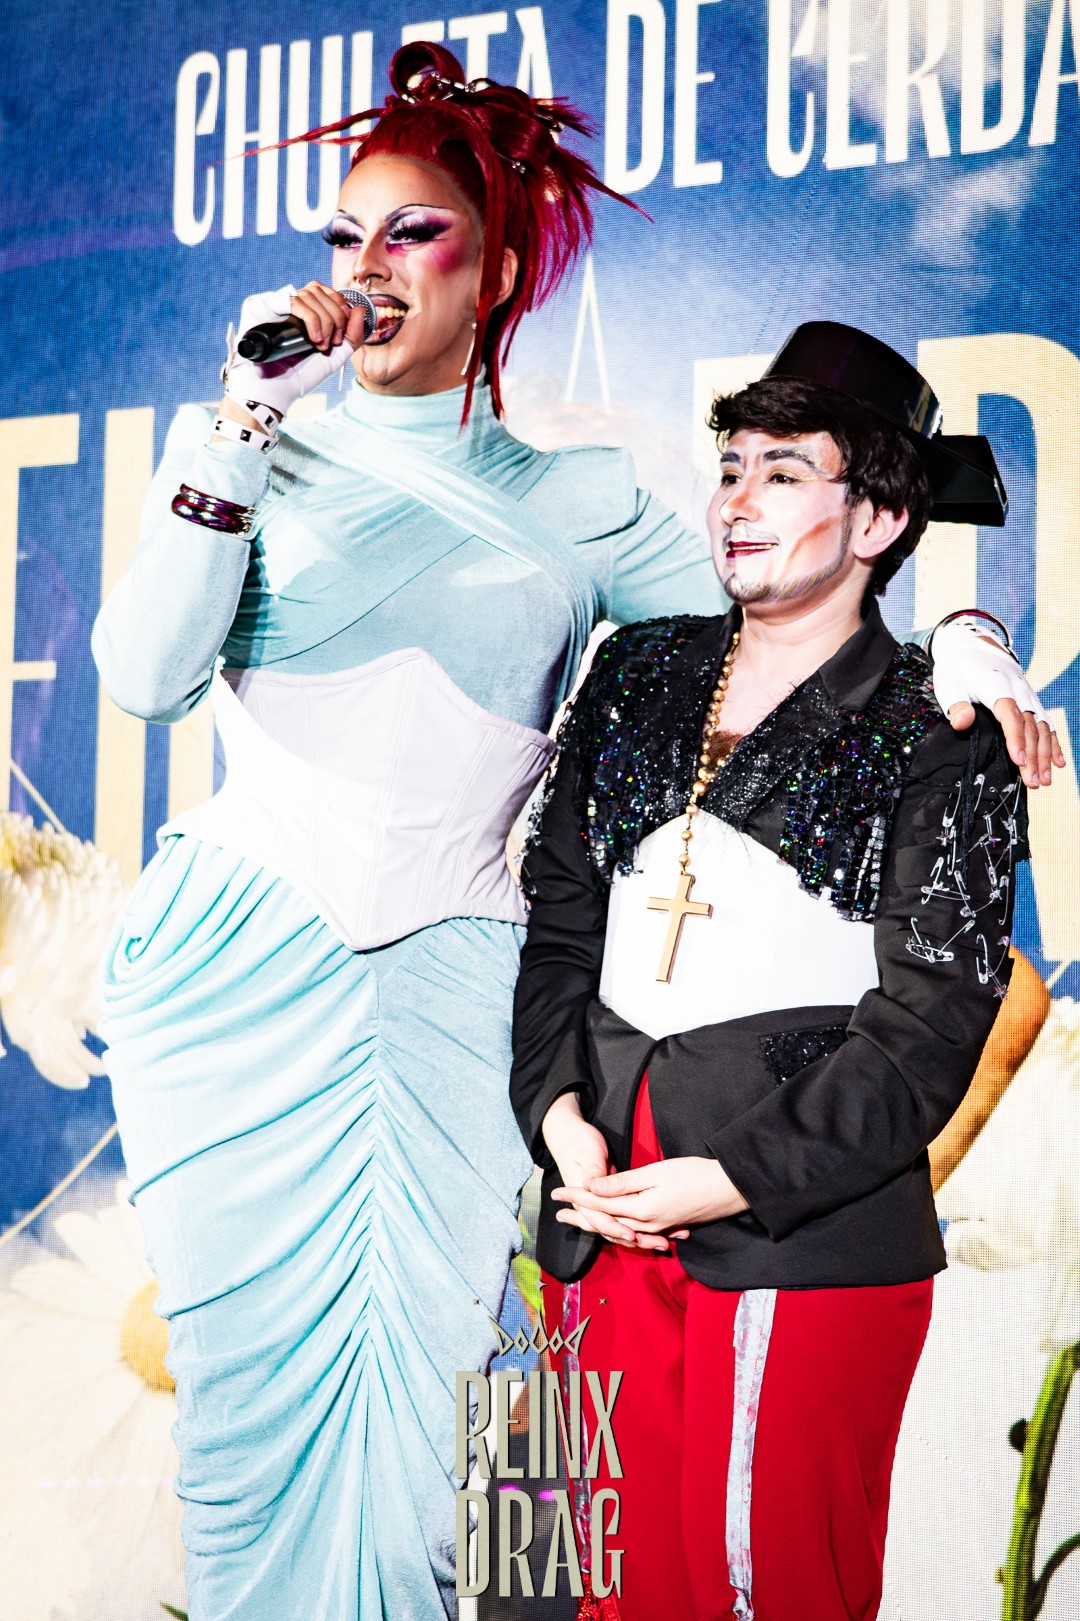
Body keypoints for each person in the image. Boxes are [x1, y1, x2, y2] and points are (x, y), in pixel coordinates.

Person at [93, 39, 1054, 1619]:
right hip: (248, 982)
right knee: (254, 1427)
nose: (368, 267)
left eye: (414, 233)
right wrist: (239, 423)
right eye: (346, 235)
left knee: (476, 1439)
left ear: (496, 272)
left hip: (467, 1011)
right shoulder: (250, 450)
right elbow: (143, 679)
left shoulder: (585, 502)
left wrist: (968, 632)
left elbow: (802, 618)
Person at [510, 322, 1031, 1621]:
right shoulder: (631, 673)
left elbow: (931, 1025)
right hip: (590, 1208)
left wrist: (728, 1176)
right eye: (731, 466)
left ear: (881, 517)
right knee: (546, 1583)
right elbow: (558, 930)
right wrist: (560, 1123)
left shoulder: (945, 719)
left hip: (803, 1230)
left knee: (768, 1589)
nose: (737, 499)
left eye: (784, 471)